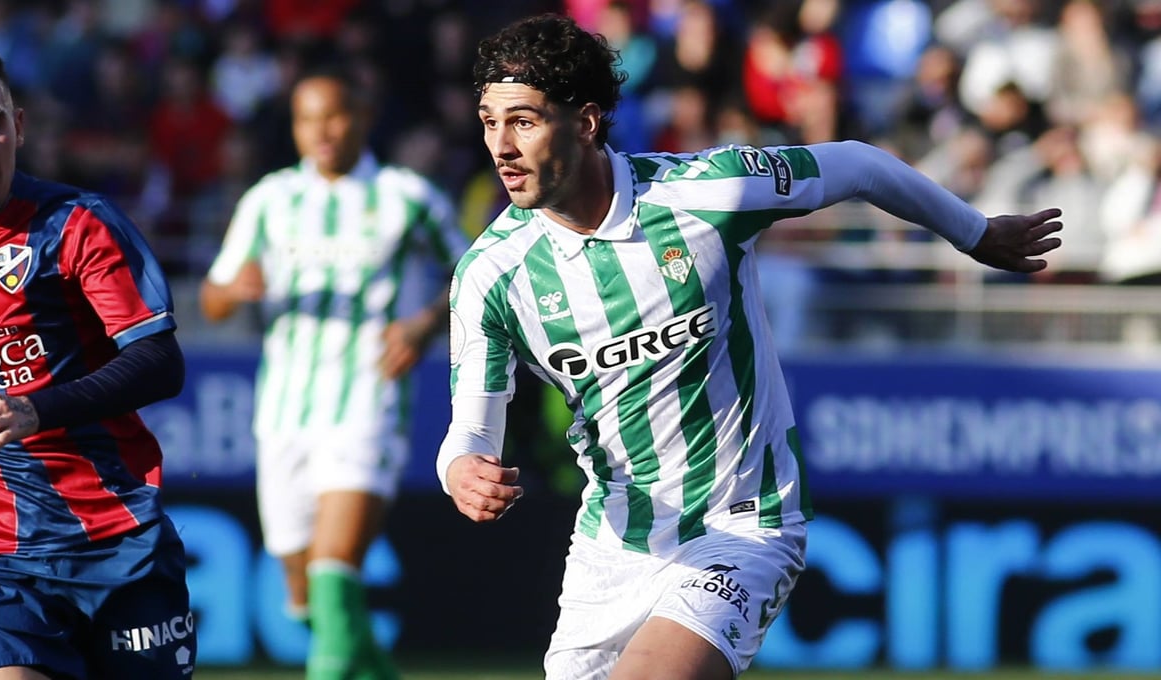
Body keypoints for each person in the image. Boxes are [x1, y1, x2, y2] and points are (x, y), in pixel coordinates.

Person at [438, 13, 1063, 680]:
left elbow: (857, 164)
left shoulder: (705, 193)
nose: (501, 146)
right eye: (489, 122)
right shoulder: (490, 276)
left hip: (740, 525)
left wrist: (974, 233)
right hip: (612, 549)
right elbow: (468, 432)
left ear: (586, 122)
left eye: (524, 121)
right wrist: (463, 471)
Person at [200, 66, 468, 679]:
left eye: (334, 116)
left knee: (333, 563)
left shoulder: (406, 196)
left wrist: (425, 325)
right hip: (284, 412)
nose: (321, 131)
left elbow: (473, 268)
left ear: (363, 118)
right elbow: (213, 296)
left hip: (368, 403)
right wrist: (233, 290)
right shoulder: (270, 199)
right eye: (306, 119)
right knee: (306, 597)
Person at [0, 43, 196, 679]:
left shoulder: (75, 225)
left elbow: (159, 360)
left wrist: (36, 409)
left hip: (120, 544)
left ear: (18, 126)